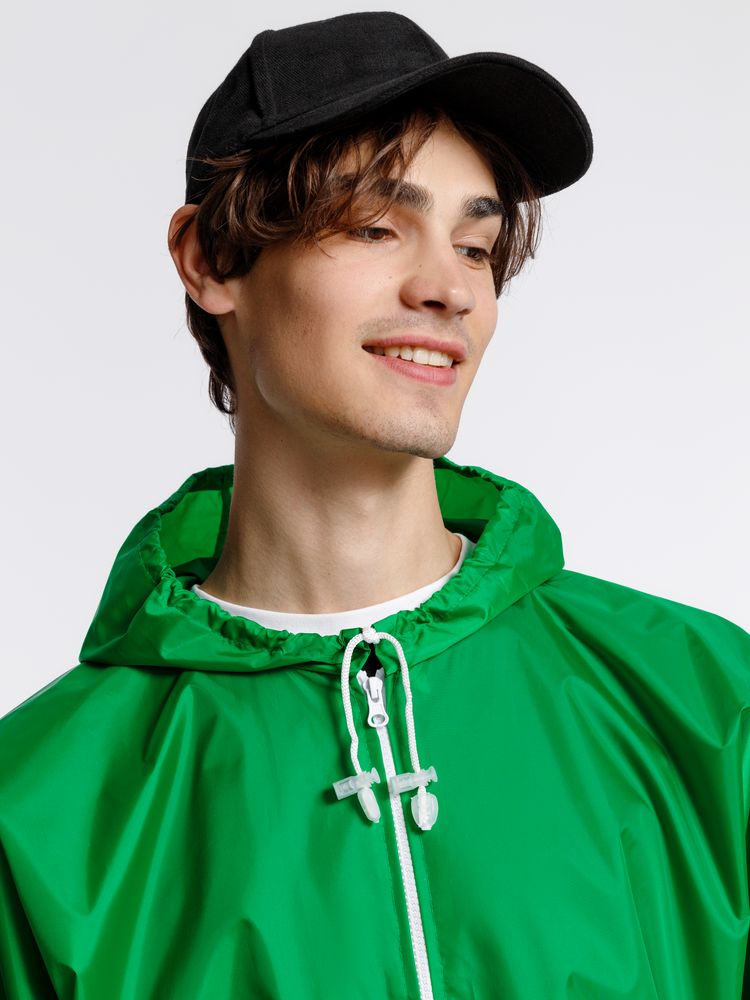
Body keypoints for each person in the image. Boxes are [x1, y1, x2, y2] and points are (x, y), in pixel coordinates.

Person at [1, 10, 748, 999]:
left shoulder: (708, 703)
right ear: (212, 259)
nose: (449, 289)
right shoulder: (38, 808)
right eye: (373, 227)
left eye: (476, 246)